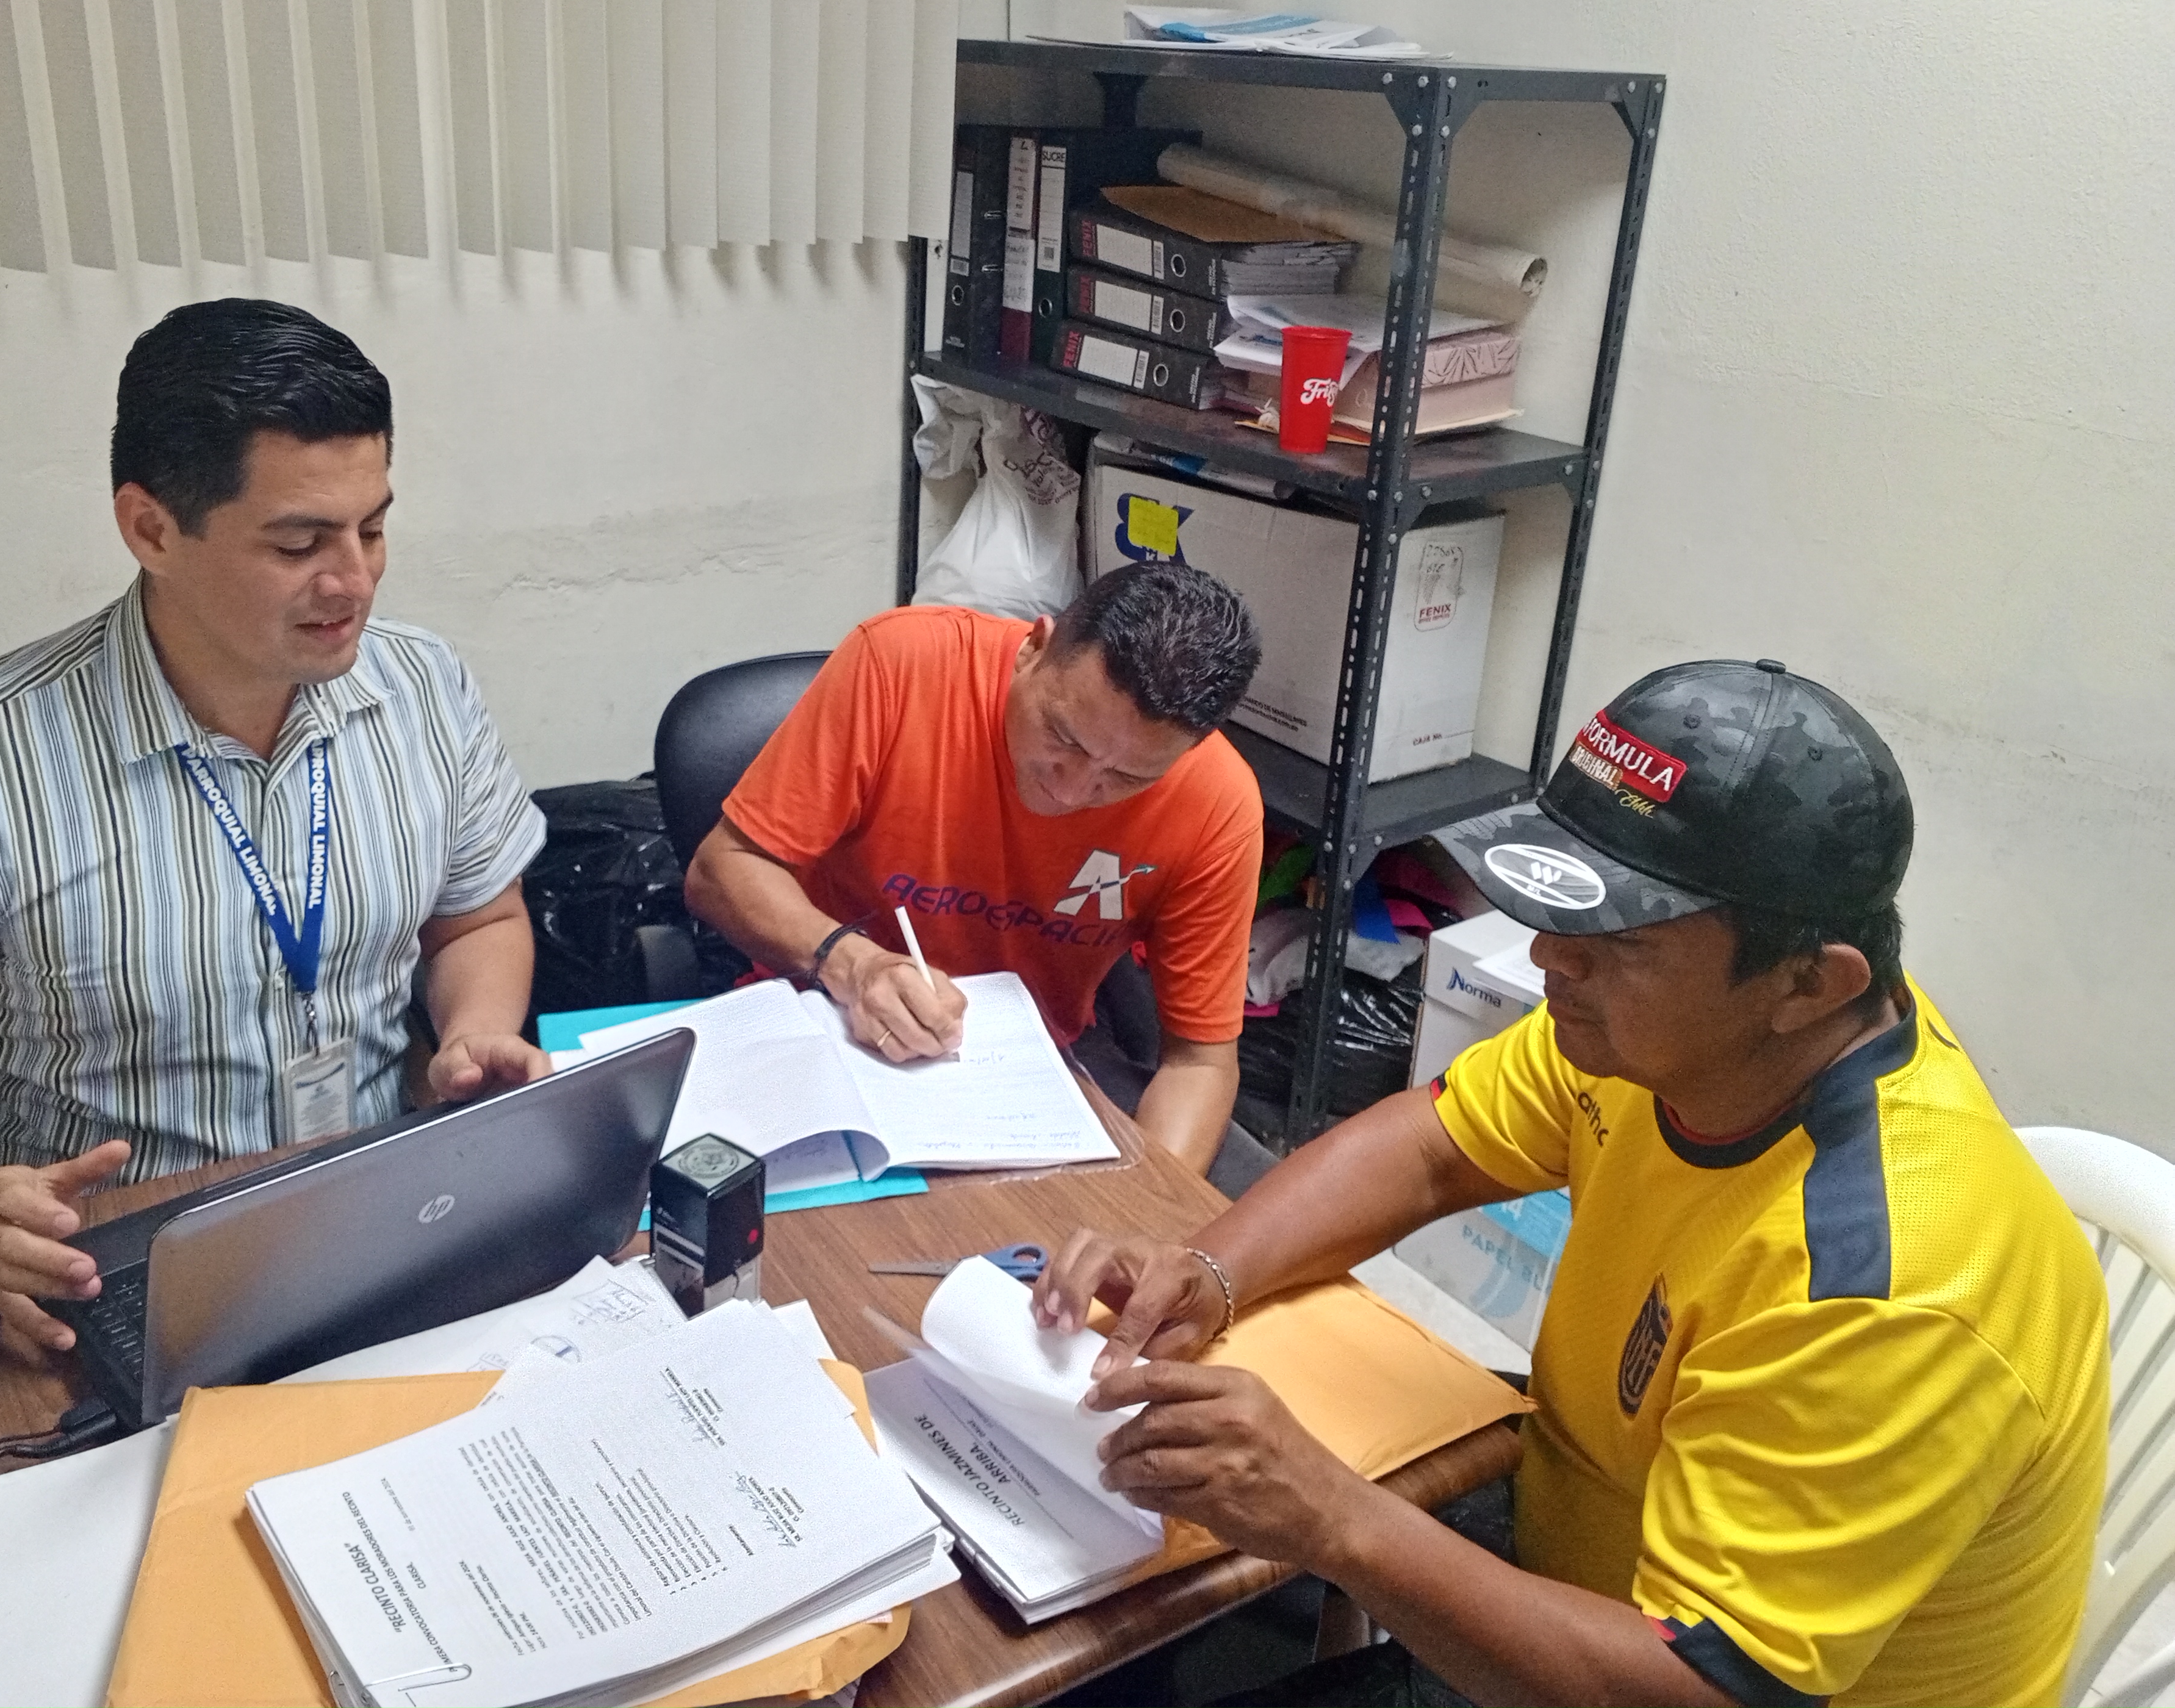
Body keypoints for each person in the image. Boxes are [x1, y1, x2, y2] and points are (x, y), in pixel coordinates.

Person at [1035, 659, 2108, 1708]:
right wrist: (1209, 1269)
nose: (1550, 956)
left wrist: (1331, 1517)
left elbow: (1699, 1686)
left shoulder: (1883, 1297)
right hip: (1582, 1527)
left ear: (1808, 983)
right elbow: (1435, 1147)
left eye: (1619, 939)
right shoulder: (1689, 1039)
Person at [0, 300, 552, 1352]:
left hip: (383, 1215)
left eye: (371, 528)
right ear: (152, 529)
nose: (354, 581)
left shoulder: (422, 687)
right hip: (114, 1264)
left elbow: (479, 917)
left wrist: (475, 1030)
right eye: (299, 542)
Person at [683, 564, 1264, 1175]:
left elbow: (1198, 1063)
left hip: (1029, 1080)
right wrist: (854, 965)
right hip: (824, 1019)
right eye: (1064, 737)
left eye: (1126, 777)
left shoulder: (1216, 804)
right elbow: (721, 870)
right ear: (1034, 648)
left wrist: (1147, 1207)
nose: (1071, 790)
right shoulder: (901, 665)